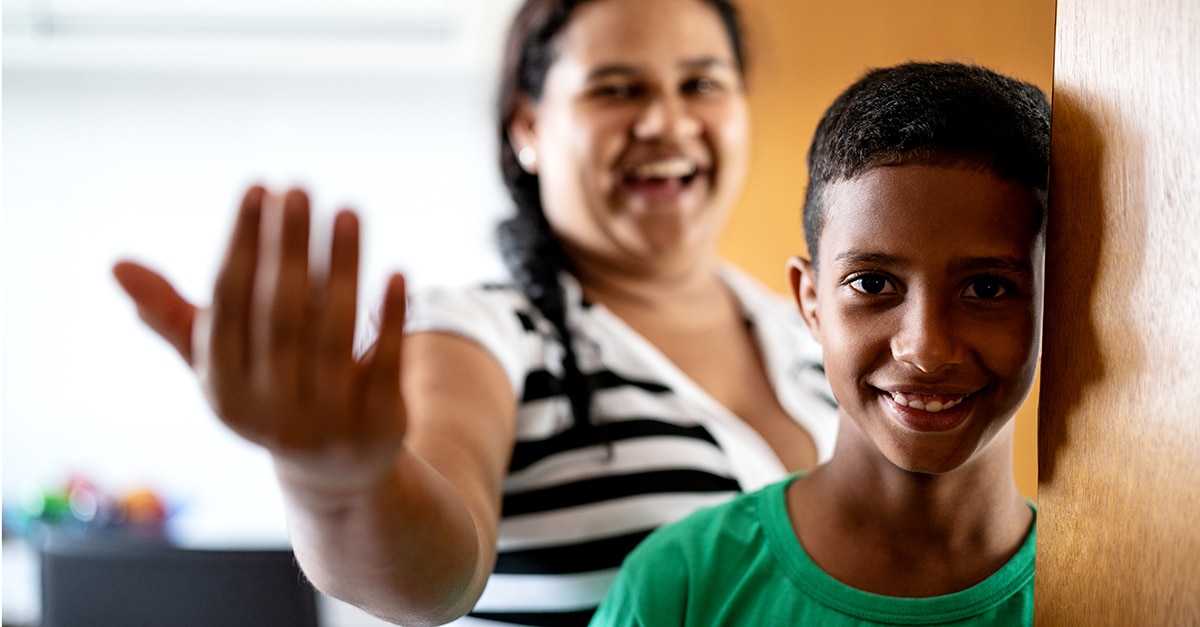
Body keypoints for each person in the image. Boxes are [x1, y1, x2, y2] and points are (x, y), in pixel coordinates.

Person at [111, 0, 839, 625]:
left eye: (701, 84)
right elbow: (429, 580)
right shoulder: (477, 335)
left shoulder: (819, 332)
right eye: (616, 88)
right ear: (528, 127)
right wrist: (339, 478)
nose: (664, 121)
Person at [590, 61, 1050, 626]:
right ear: (810, 302)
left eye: (986, 288)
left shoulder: (1105, 594)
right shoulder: (681, 584)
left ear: (1055, 305)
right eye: (872, 284)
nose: (926, 349)